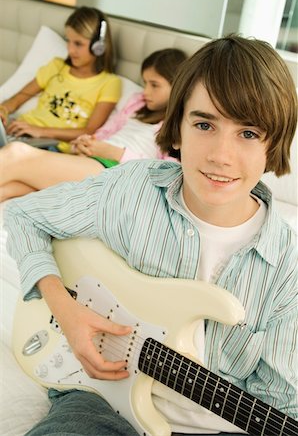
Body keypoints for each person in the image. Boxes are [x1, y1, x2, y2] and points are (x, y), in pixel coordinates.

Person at [4, 35, 297, 436]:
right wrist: (65, 309)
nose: (220, 156)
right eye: (204, 124)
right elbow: (23, 215)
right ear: (176, 130)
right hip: (97, 396)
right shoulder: (131, 190)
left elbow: (282, 402)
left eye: (248, 133)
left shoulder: (288, 267)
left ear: (274, 144)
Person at [0, 48, 186, 202]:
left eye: (154, 85)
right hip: (96, 160)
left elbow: (169, 173)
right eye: (144, 83)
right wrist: (85, 143)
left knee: (17, 153)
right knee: (11, 188)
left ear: (177, 85)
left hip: (117, 172)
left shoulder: (181, 124)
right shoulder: (138, 104)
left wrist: (113, 153)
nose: (146, 91)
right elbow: (106, 131)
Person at [0, 6, 121, 141]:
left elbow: (89, 131)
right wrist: (3, 110)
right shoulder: (57, 66)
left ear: (98, 46)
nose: (70, 49)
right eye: (68, 41)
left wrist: (41, 131)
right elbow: (18, 99)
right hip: (19, 132)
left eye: (78, 44)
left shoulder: (110, 83)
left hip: (50, 145)